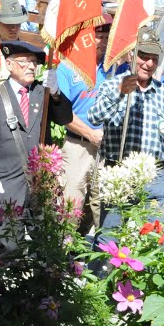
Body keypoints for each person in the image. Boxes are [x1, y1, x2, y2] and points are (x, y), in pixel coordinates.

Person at [89, 27, 164, 236]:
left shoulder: (163, 93)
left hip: (154, 177)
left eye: (154, 58)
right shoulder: (112, 84)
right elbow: (94, 117)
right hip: (119, 173)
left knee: (154, 241)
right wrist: (119, 93)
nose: (148, 64)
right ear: (131, 55)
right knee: (110, 240)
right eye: (143, 56)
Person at [0, 40, 73, 215]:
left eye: (34, 62)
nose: (31, 67)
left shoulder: (42, 92)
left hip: (41, 182)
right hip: (7, 182)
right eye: (24, 61)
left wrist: (56, 93)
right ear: (9, 64)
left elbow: (64, 118)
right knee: (10, 241)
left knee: (43, 239)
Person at [58, 13, 120, 234]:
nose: (102, 41)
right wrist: (91, 133)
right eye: (98, 36)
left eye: (106, 36)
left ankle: (96, 255)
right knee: (72, 202)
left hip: (108, 147)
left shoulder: (114, 68)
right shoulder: (68, 68)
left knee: (104, 204)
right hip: (78, 145)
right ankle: (63, 254)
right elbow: (62, 113)